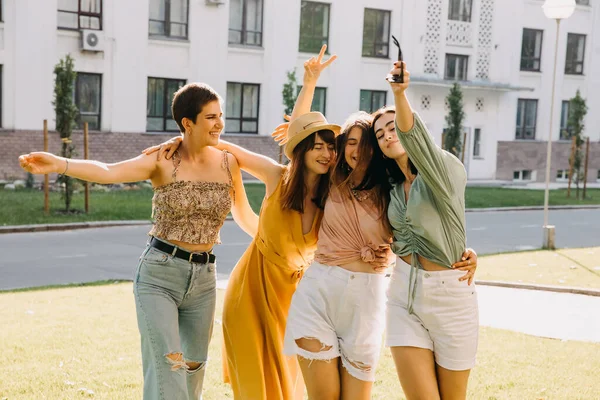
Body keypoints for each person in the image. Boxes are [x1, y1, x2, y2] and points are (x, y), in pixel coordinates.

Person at [19, 83, 258, 400]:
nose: (220, 124)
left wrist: (278, 246)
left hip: (204, 279)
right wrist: (61, 164)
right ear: (188, 123)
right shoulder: (161, 160)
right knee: (169, 368)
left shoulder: (229, 163)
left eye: (221, 116)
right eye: (211, 117)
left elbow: (245, 216)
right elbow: (108, 171)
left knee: (194, 368)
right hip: (159, 275)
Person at [144, 45, 339, 399]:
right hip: (252, 289)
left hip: (294, 296)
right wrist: (183, 139)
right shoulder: (277, 175)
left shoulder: (333, 198)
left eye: (331, 147)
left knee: (286, 382)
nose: (326, 153)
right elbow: (230, 147)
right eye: (318, 146)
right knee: (254, 381)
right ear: (303, 150)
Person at [375, 61, 479, 400]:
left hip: (451, 296)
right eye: (379, 134)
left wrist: (399, 94)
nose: (388, 136)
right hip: (404, 294)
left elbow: (413, 135)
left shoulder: (444, 168)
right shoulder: (391, 188)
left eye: (392, 128)